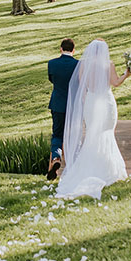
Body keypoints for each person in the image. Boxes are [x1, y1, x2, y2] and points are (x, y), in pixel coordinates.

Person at [56, 39, 130, 200]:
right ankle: (108, 169)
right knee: (107, 132)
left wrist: (85, 104)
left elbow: (82, 86)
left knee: (92, 135)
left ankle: (91, 168)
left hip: (91, 101)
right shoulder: (108, 64)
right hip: (106, 101)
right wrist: (127, 74)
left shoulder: (84, 65)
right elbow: (116, 83)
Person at [47, 37, 79, 180]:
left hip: (58, 104)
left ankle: (56, 157)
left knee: (57, 135)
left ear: (61, 49)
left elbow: (52, 80)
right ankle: (73, 166)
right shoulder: (78, 65)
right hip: (73, 106)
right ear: (73, 50)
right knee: (72, 135)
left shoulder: (52, 64)